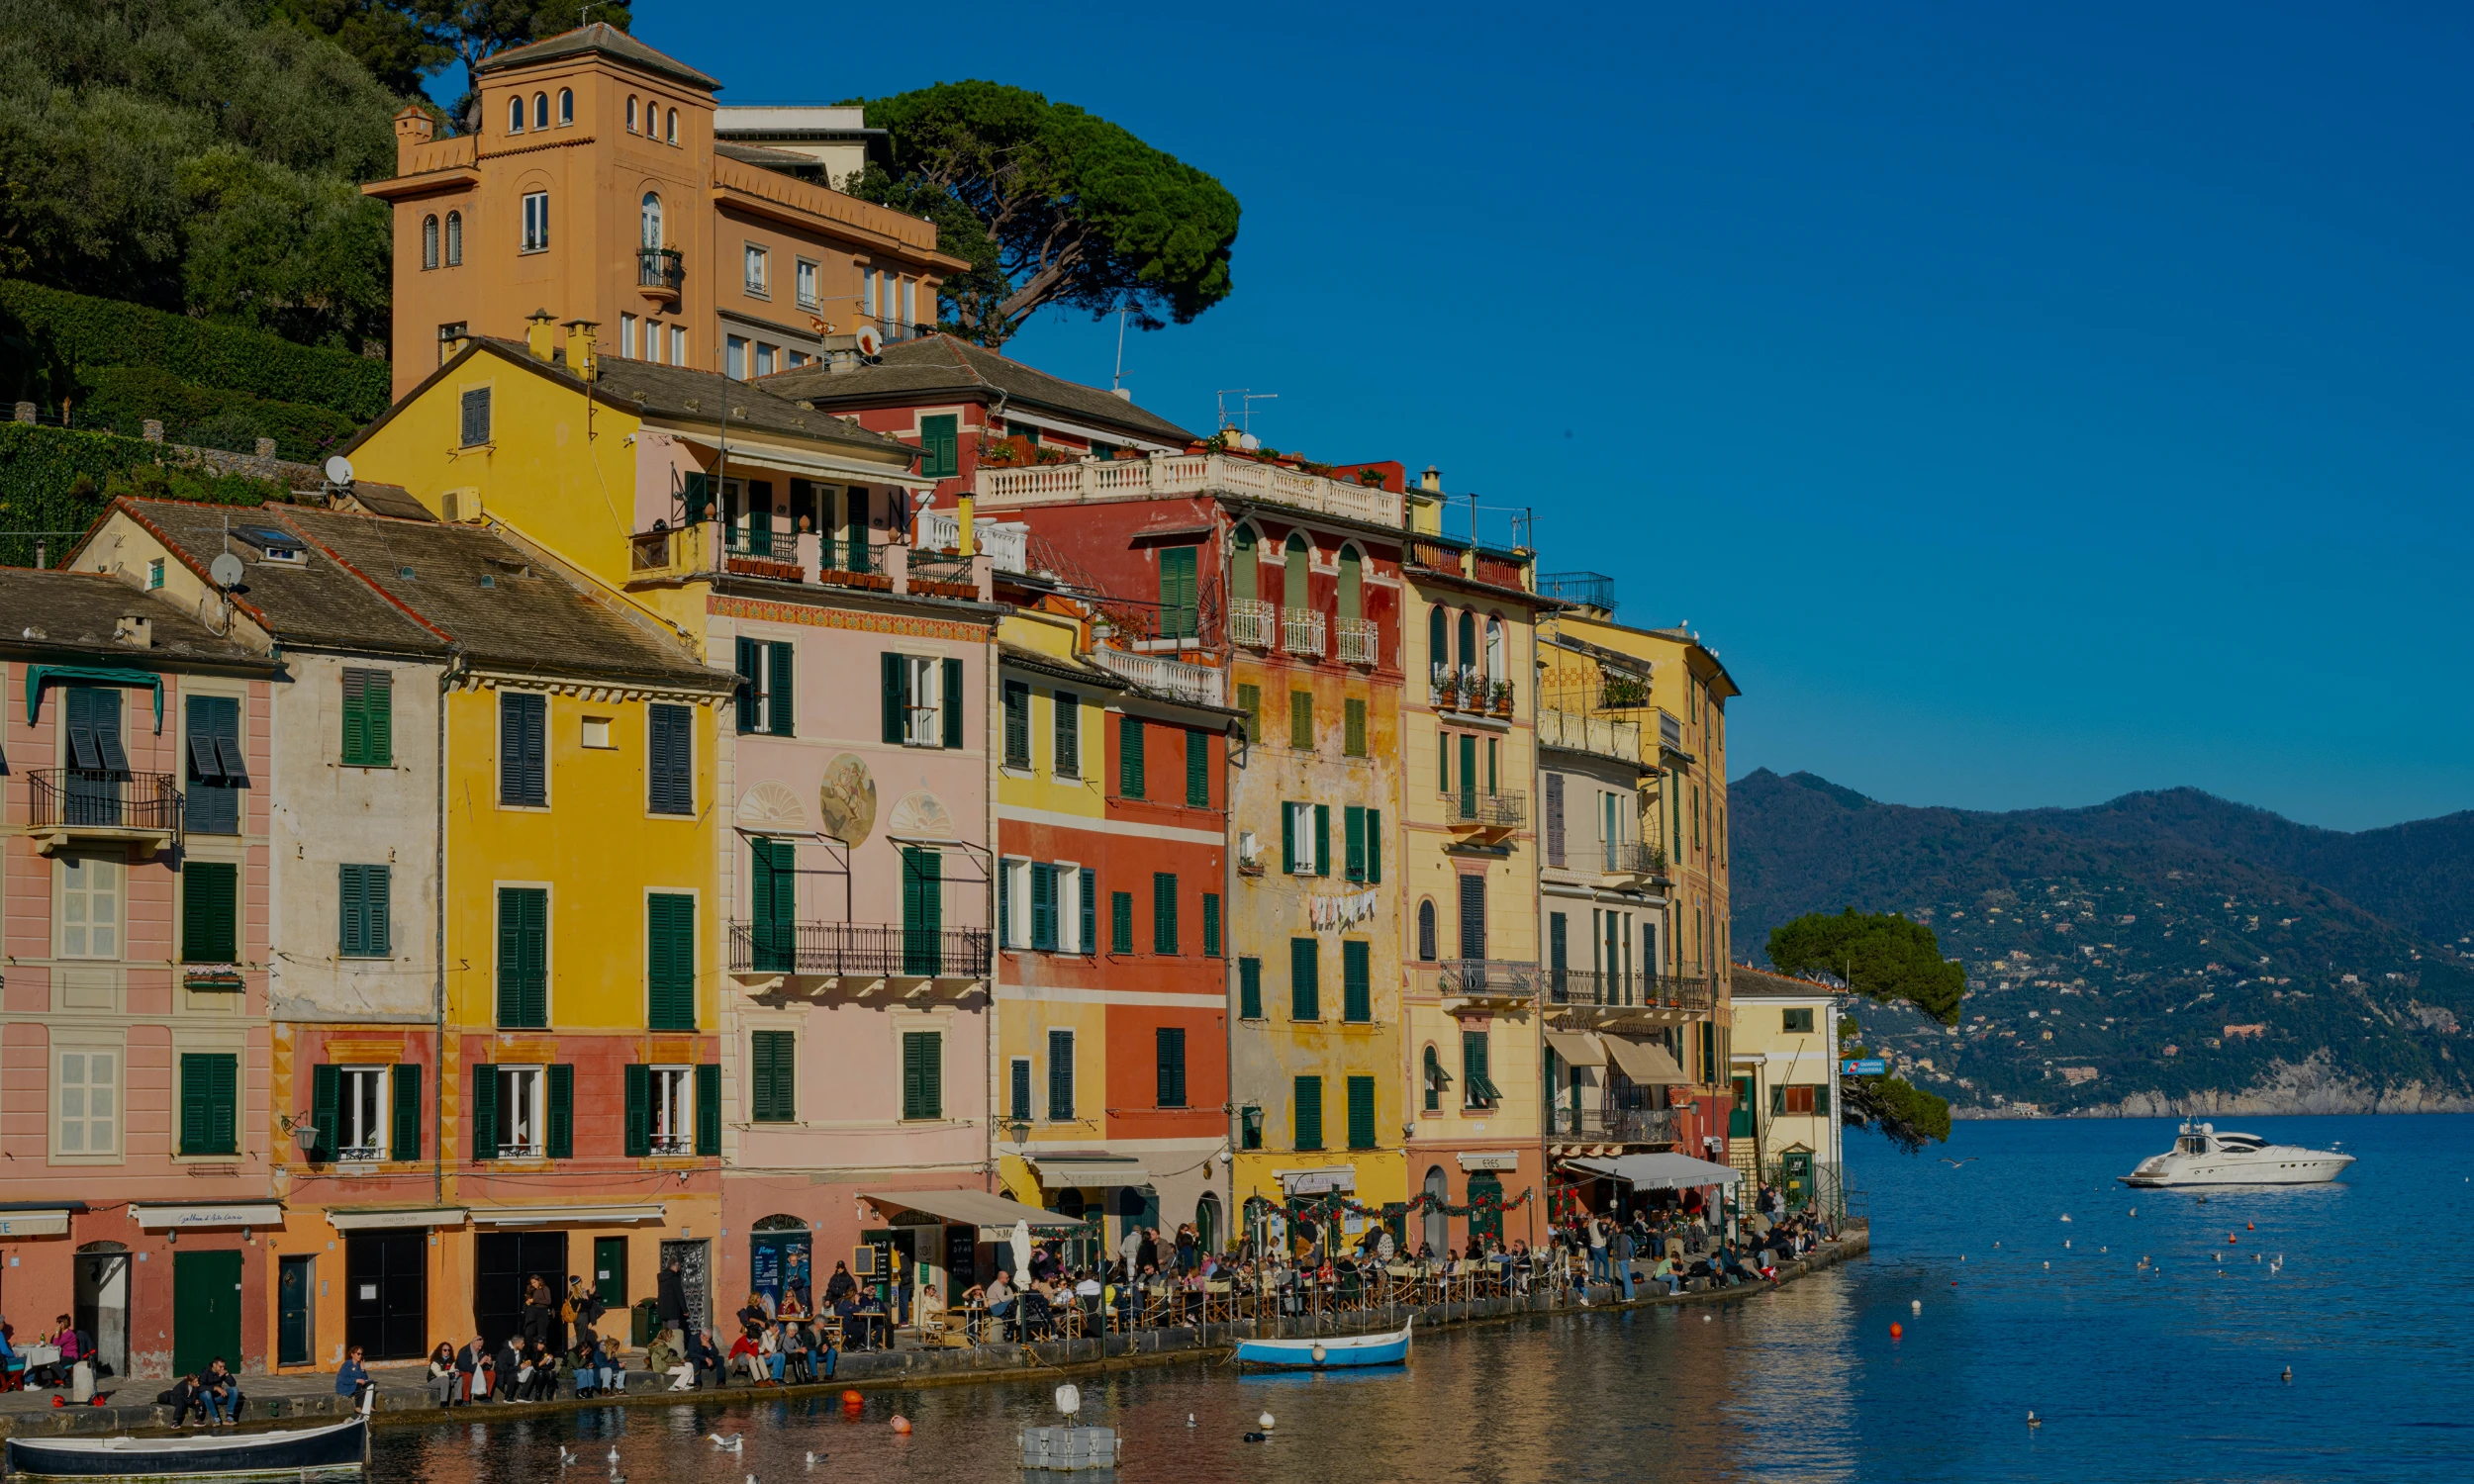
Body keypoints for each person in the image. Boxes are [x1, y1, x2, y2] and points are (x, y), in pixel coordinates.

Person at [656, 1256, 689, 1346]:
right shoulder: (674, 1278)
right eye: (678, 1267)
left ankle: (664, 1349)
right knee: (673, 1332)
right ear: (674, 1266)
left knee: (665, 1332)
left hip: (662, 1308)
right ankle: (673, 1350)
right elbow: (679, 1295)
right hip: (673, 1309)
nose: (678, 1269)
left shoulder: (661, 1277)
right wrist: (685, 1310)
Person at [200, 1357, 239, 1427]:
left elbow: (233, 1384)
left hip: (217, 1397)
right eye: (220, 1366)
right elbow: (200, 1387)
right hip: (206, 1398)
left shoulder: (222, 1371)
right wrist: (215, 1388)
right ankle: (216, 1418)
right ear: (214, 1365)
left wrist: (227, 1373)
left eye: (223, 1366)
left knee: (234, 1390)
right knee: (206, 1393)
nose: (222, 1368)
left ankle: (229, 1418)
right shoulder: (205, 1372)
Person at [1610, 1224, 1637, 1301]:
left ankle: (1628, 1296)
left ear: (1619, 1228)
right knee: (1628, 1278)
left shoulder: (1621, 1237)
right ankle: (1631, 1296)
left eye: (1616, 1228)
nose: (1615, 1229)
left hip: (1622, 1259)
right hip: (1626, 1259)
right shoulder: (1625, 1236)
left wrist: (1618, 1259)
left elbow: (1621, 1250)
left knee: (1625, 1278)